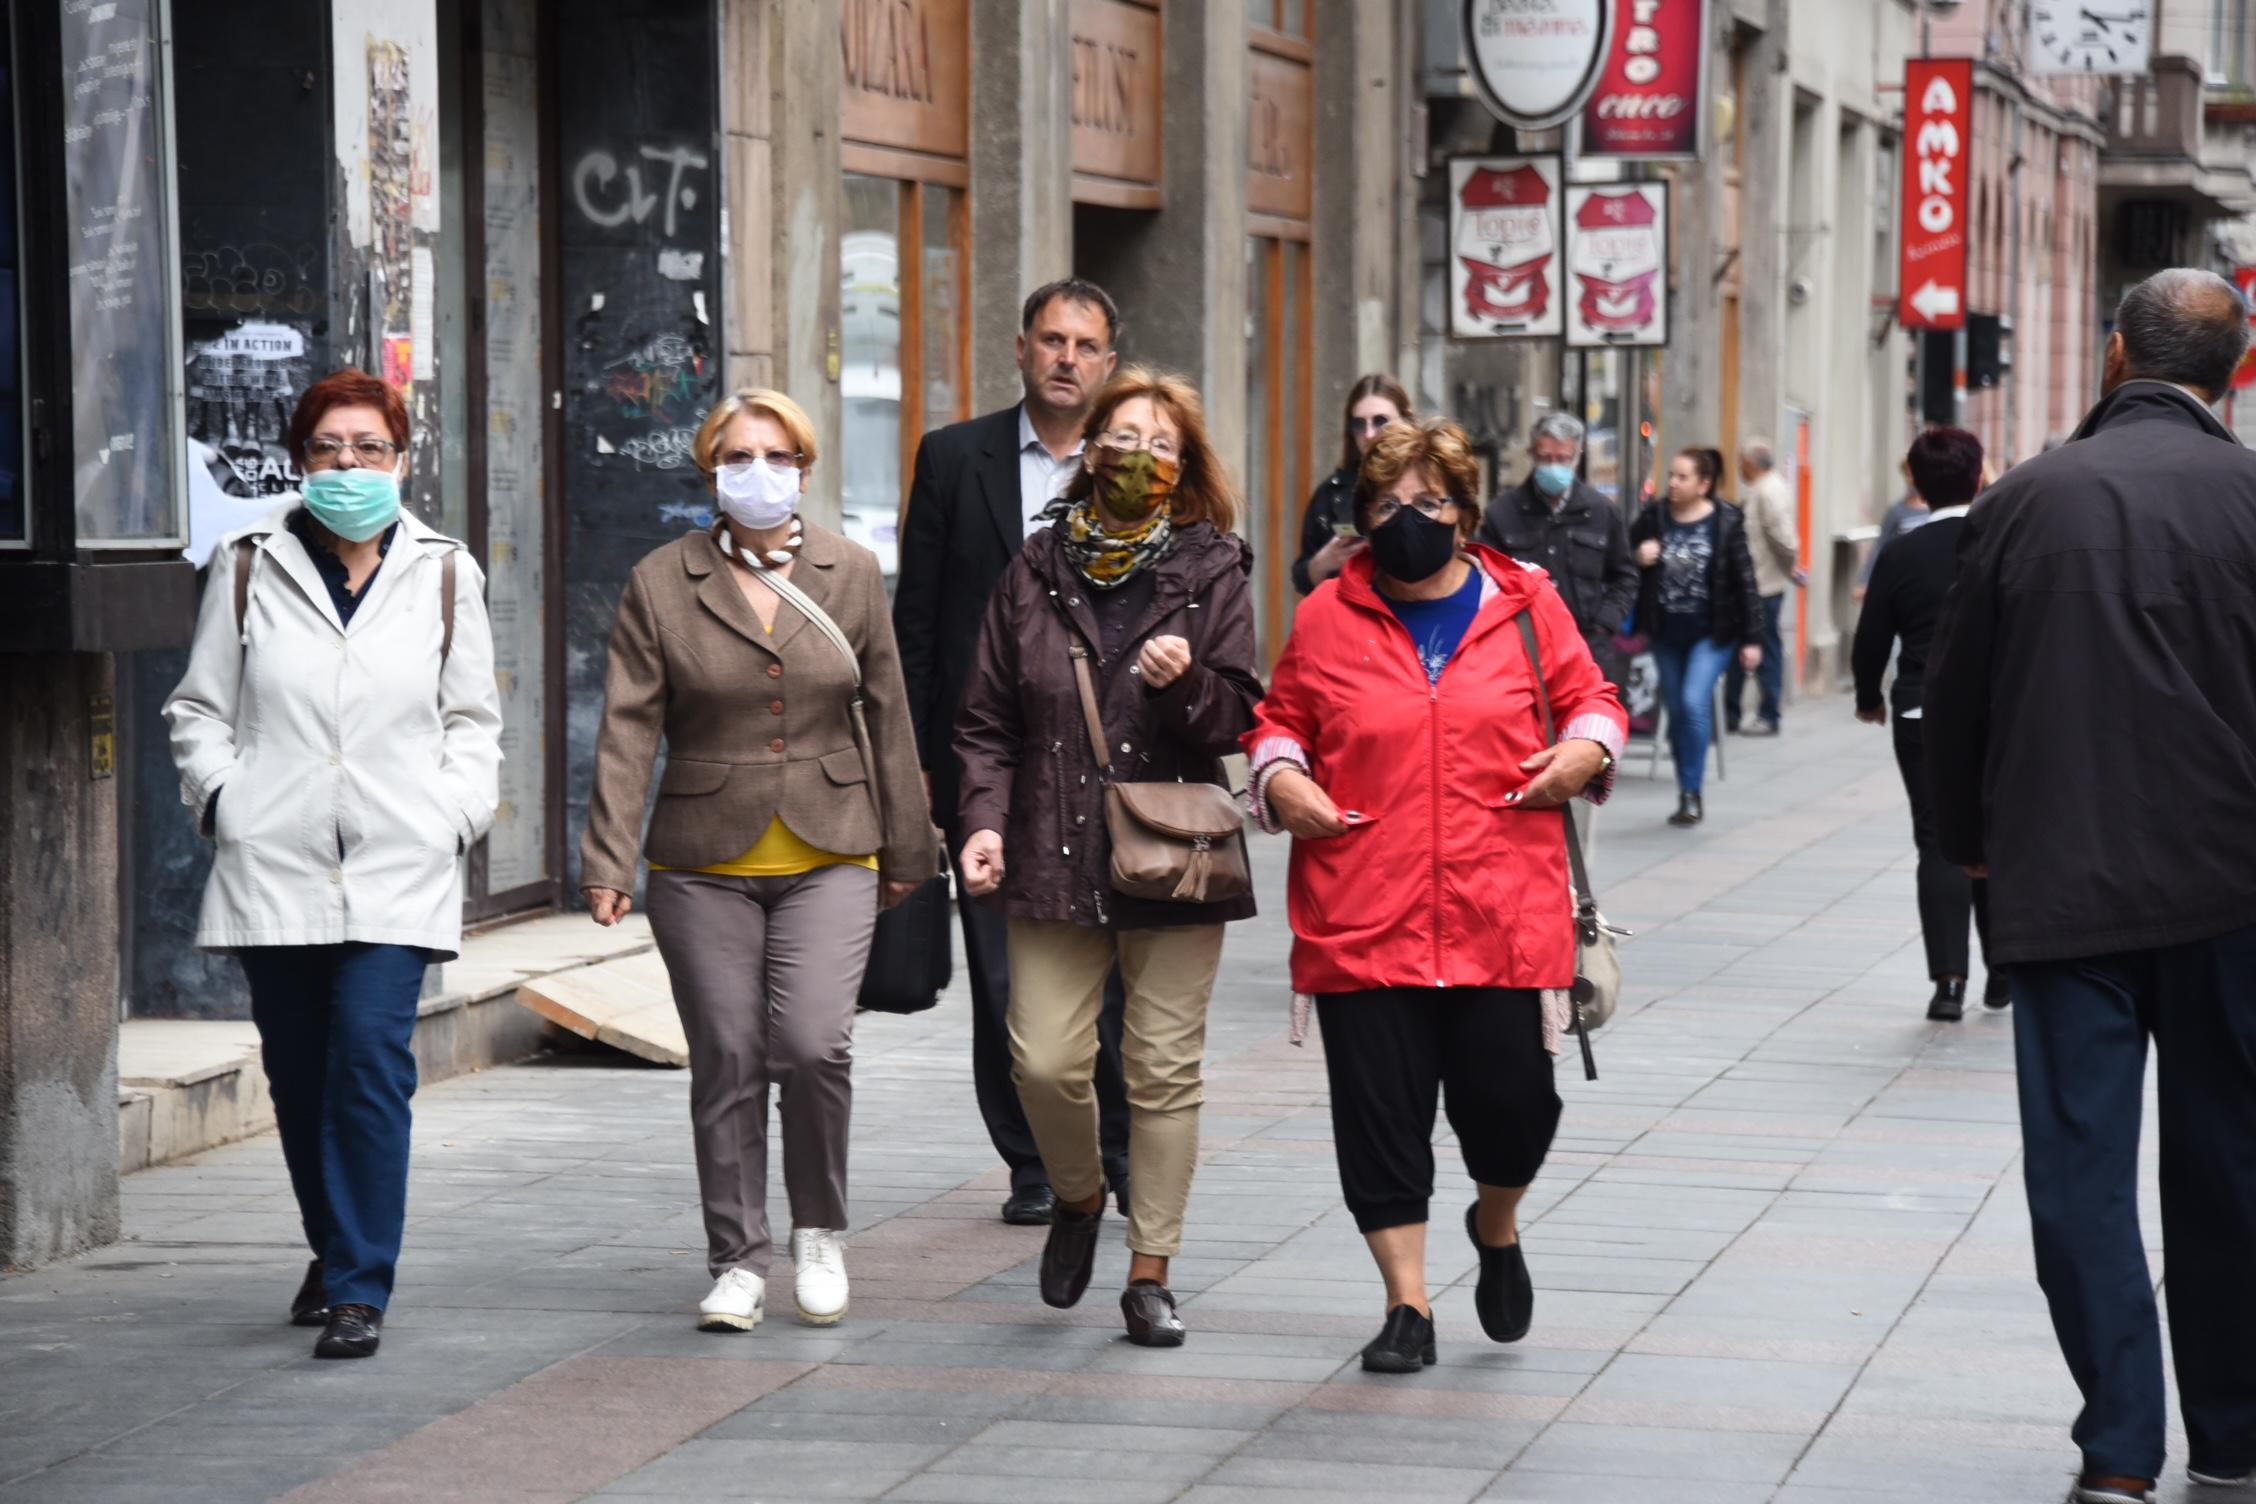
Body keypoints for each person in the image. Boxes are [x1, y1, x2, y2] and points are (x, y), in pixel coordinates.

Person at [1924, 268, 2256, 1504]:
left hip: (2066, 889)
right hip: (2235, 895)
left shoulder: (2026, 500)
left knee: (2080, 1174)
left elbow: (1954, 701)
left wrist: (1969, 846)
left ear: (2114, 354)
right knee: (2229, 1165)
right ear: (2230, 372)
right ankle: (2231, 1434)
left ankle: (2120, 1444)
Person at [1245, 418, 1625, 1375]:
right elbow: (1279, 720)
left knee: (1515, 1110)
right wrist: (1282, 779)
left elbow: (1595, 699)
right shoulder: (1330, 612)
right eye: (1385, 505)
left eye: (1428, 501)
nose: (1406, 519)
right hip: (1361, 904)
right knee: (1380, 1117)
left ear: (1464, 509)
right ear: (1361, 516)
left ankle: (1495, 1224)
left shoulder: (1526, 604)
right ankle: (1406, 1303)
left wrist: (1586, 749)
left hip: (1502, 910)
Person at [164, 368, 504, 1361]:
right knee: (301, 1073)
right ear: (298, 457)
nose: (347, 464)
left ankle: (359, 1285)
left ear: (401, 460)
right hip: (275, 857)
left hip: (400, 861)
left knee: (367, 1060)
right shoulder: (243, 562)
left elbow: (473, 720)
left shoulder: (445, 571)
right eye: (328, 447)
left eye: (368, 447)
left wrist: (453, 815)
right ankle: (334, 1243)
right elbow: (198, 709)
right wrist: (225, 799)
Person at [580, 388, 935, 1335]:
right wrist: (608, 859)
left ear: (805, 470)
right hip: (701, 857)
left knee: (815, 1044)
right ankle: (737, 1258)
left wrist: (911, 844)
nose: (758, 472)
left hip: (833, 845)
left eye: (776, 456)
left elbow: (889, 711)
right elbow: (628, 725)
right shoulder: (662, 581)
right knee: (728, 1055)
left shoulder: (851, 571)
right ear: (710, 472)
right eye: (738, 457)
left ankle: (819, 1227)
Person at [954, 367, 1263, 1348]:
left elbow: (1241, 713)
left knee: (1163, 1070)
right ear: (1090, 452)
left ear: (1186, 467)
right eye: (1123, 438)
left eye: (1162, 444)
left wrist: (1186, 689)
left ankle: (1150, 1271)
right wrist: (983, 821)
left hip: (1175, 856)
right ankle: (1082, 1196)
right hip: (1050, 847)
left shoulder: (1214, 569)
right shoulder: (1033, 568)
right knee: (1042, 1058)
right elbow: (985, 720)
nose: (1141, 457)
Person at [894, 278, 1134, 1227]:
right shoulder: (955, 459)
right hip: (983, 758)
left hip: (1105, 765)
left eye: (1085, 344)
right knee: (1002, 976)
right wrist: (914, 754)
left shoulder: (1140, 460)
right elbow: (918, 617)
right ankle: (1030, 1158)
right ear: (1022, 350)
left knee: (1106, 967)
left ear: (1109, 363)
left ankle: (1113, 1144)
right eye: (1050, 340)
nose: (1066, 358)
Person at [1849, 426, 2000, 1022]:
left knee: (1938, 839)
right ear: (1979, 474)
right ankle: (2005, 970)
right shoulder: (2003, 544)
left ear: (1914, 481)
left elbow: (1870, 639)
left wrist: (1868, 696)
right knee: (1997, 832)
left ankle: (1949, 982)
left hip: (1921, 709)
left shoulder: (1902, 552)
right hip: (1997, 709)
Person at [1629, 448, 1762, 827]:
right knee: (1675, 706)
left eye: (1682, 477)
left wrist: (1752, 639)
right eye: (1671, 475)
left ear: (1704, 484)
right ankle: (1684, 789)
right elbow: (1621, 556)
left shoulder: (1725, 521)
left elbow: (1745, 580)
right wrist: (1639, 556)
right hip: (1666, 632)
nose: (1673, 482)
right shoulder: (1654, 517)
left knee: (1691, 702)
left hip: (1713, 633)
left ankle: (1692, 791)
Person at [1291, 373, 1413, 595]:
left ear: (1406, 421)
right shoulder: (1331, 493)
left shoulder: (1430, 484)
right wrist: (1324, 561)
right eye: (1358, 424)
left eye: (1380, 421)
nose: (1368, 434)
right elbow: (1301, 580)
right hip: (1350, 613)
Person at [1723, 439, 1804, 736]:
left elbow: (1785, 540)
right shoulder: (1764, 489)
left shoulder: (1769, 491)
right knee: (1738, 649)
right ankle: (1731, 713)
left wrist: (1789, 566)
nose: (1738, 466)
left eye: (1740, 460)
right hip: (1754, 585)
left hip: (1763, 586)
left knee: (1765, 648)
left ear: (1750, 463)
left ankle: (1769, 714)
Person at [1853, 459, 1931, 604]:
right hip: (1903, 579)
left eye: (1915, 474)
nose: (1912, 479)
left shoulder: (1934, 509)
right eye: (1908, 474)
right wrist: (1865, 581)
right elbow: (1880, 547)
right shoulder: (1897, 511)